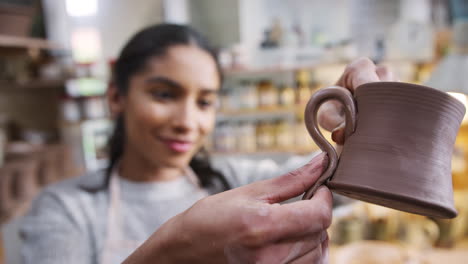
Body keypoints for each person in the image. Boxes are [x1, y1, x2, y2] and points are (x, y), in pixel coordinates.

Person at [20, 24, 395, 264]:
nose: (187, 122)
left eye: (204, 101)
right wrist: (167, 256)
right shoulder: (67, 210)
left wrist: (360, 129)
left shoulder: (230, 178)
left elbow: (341, 185)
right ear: (116, 97)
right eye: (164, 94)